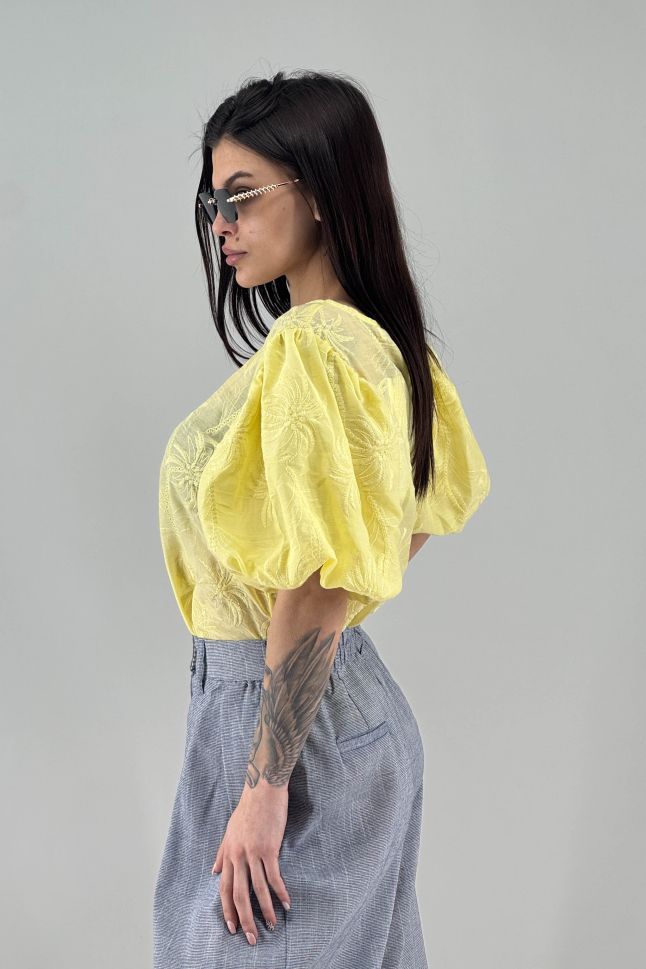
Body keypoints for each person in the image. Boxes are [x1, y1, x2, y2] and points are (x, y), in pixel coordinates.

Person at [153, 69, 491, 969]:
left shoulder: (313, 347)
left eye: (241, 196)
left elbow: (315, 580)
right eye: (212, 202)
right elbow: (401, 525)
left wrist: (265, 785)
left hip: (280, 727)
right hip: (343, 715)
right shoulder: (382, 344)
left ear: (319, 190)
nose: (221, 224)